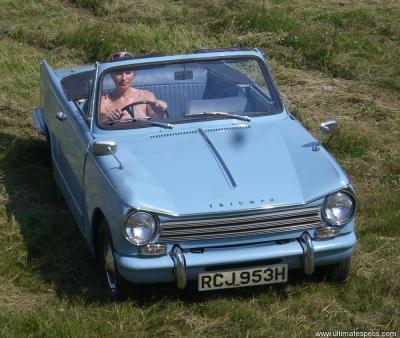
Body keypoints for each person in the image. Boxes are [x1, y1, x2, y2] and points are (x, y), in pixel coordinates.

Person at [99, 52, 168, 125]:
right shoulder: (103, 101)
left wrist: (160, 110)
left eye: (128, 72)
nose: (124, 78)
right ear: (112, 75)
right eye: (118, 73)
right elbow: (100, 123)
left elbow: (157, 122)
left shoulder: (147, 96)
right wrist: (109, 119)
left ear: (134, 74)